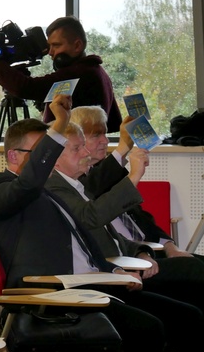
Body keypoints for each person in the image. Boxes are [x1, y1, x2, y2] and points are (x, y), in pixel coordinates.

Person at [0, 97, 204, 352]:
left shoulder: (49, 191)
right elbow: (27, 187)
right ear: (13, 156)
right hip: (51, 299)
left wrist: (115, 271)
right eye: (44, 152)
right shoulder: (0, 187)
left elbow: (85, 239)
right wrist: (60, 125)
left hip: (92, 284)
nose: (49, 159)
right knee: (148, 329)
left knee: (187, 316)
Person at [45, 120, 204, 313]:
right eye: (77, 148)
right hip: (109, 272)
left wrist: (141, 252)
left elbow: (117, 234)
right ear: (55, 159)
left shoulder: (77, 185)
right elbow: (91, 218)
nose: (86, 153)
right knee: (191, 278)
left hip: (128, 262)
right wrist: (134, 174)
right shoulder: (57, 187)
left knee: (193, 289)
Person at [72, 105, 199, 259]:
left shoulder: (108, 173)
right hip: (126, 259)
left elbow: (142, 218)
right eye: (96, 135)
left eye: (105, 134)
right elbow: (90, 188)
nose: (105, 141)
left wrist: (170, 246)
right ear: (77, 141)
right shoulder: (74, 180)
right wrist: (123, 148)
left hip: (151, 252)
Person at [0, 16, 122, 132]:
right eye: (49, 46)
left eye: (56, 45)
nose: (50, 52)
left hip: (76, 157)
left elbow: (23, 87)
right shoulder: (96, 70)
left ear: (77, 46)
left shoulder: (80, 72)